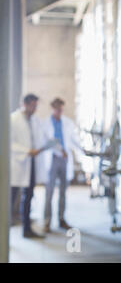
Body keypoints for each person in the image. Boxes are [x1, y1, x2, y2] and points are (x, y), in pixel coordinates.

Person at [41, 98, 82, 233]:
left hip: (65, 160)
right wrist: (60, 150)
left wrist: (83, 151)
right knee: (49, 191)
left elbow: (73, 140)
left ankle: (61, 219)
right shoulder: (46, 124)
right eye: (57, 109)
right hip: (52, 159)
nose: (60, 112)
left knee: (63, 191)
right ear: (53, 108)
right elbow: (48, 142)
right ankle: (47, 221)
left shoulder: (67, 123)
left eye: (61, 109)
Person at [10, 94, 46, 239]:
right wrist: (26, 151)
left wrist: (38, 149)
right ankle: (4, 231)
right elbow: (8, 142)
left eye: (36, 106)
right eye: (33, 105)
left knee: (29, 197)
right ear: (24, 104)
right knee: (10, 199)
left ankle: (27, 229)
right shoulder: (13, 119)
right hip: (17, 163)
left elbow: (38, 138)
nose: (35, 109)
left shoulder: (35, 120)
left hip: (31, 164)